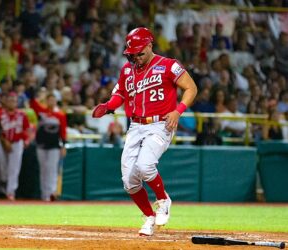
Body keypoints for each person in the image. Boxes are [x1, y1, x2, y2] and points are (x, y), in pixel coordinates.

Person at [92, 27, 197, 236]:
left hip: (161, 124)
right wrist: (109, 106)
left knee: (145, 165)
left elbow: (191, 88)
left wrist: (178, 111)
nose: (136, 57)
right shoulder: (127, 70)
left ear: (150, 45)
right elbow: (120, 94)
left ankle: (163, 199)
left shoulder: (169, 65)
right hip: (135, 125)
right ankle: (149, 217)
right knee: (129, 181)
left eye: (140, 52)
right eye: (132, 53)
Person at [28, 87, 67, 201]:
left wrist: (63, 146)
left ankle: (51, 193)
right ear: (46, 101)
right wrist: (32, 90)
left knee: (52, 169)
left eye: (53, 100)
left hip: (54, 146)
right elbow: (32, 103)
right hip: (41, 144)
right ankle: (44, 194)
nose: (51, 102)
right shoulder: (41, 112)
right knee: (43, 170)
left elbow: (63, 132)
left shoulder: (60, 115)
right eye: (49, 100)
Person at [0, 92, 31, 201]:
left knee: (14, 168)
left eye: (14, 101)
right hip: (2, 141)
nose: (12, 103)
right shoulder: (0, 113)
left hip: (17, 142)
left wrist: (26, 140)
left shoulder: (22, 114)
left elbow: (27, 129)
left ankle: (11, 191)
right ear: (5, 101)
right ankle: (3, 184)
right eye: (10, 100)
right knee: (2, 166)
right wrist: (3, 140)